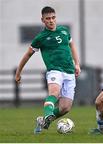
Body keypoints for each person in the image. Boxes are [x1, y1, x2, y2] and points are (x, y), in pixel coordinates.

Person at [15, 6, 81, 134]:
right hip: (54, 70)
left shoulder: (64, 31)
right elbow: (27, 55)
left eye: (53, 18)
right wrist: (18, 72)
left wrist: (77, 64)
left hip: (69, 71)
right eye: (48, 18)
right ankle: (48, 114)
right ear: (43, 20)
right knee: (54, 94)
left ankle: (43, 120)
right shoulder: (41, 37)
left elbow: (72, 45)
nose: (51, 21)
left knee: (65, 108)